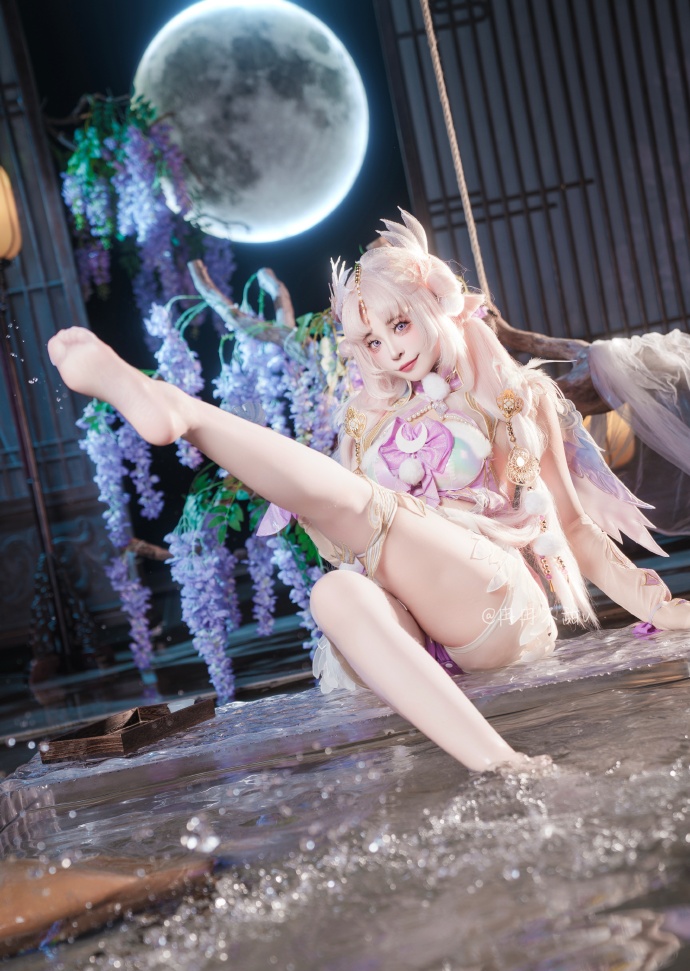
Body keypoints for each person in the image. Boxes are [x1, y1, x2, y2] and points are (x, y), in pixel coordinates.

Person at [47, 211, 690, 774]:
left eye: (400, 325)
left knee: (365, 505)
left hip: (499, 602)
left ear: (436, 304)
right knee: (334, 592)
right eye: (373, 341)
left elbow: (572, 527)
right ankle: (502, 763)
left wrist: (658, 607)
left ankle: (183, 412)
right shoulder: (364, 417)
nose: (390, 351)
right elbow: (353, 537)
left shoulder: (513, 394)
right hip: (418, 621)